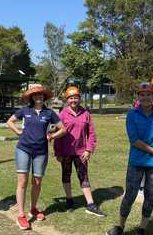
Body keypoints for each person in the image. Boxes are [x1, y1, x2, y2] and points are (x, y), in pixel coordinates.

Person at [106, 82, 153, 235]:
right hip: (137, 161)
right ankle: (120, 226)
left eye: (148, 94)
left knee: (150, 196)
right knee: (130, 195)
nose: (145, 97)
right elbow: (134, 140)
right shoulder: (132, 115)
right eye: (142, 95)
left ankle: (142, 228)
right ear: (138, 97)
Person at [7, 84, 66, 230]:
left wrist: (52, 136)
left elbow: (63, 129)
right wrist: (18, 132)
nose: (38, 96)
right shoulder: (25, 110)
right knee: (22, 181)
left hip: (41, 151)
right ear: (31, 97)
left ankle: (33, 208)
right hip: (24, 149)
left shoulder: (49, 113)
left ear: (44, 96)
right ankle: (21, 215)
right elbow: (9, 121)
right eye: (35, 95)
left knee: (37, 182)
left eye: (40, 94)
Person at [53, 86, 105, 216]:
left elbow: (91, 134)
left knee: (84, 177)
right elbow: (58, 135)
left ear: (79, 98)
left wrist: (89, 149)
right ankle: (69, 200)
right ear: (67, 99)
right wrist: (58, 152)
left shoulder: (85, 113)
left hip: (81, 152)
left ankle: (90, 204)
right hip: (65, 152)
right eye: (71, 98)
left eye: (75, 97)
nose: (73, 100)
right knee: (66, 175)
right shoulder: (62, 114)